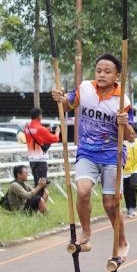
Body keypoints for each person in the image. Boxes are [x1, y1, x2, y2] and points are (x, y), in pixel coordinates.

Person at [51, 53, 132, 258]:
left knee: (110, 203)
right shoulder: (85, 88)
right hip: (87, 151)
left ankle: (122, 241)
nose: (102, 75)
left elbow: (131, 136)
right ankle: (86, 232)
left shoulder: (123, 100)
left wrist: (124, 123)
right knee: (83, 191)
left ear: (117, 75)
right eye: (98, 71)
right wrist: (60, 98)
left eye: (107, 71)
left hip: (112, 154)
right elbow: (68, 104)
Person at [24, 107, 61, 186]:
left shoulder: (27, 128)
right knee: (41, 186)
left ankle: (36, 197)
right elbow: (55, 139)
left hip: (32, 160)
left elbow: (35, 136)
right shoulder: (41, 129)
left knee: (36, 184)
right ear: (39, 116)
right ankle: (38, 198)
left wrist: (46, 131)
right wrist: (57, 132)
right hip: (40, 160)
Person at [123, 127, 137, 218]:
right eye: (130, 134)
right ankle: (128, 207)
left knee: (133, 185)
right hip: (126, 170)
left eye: (133, 133)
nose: (131, 135)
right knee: (126, 190)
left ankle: (132, 207)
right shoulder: (123, 143)